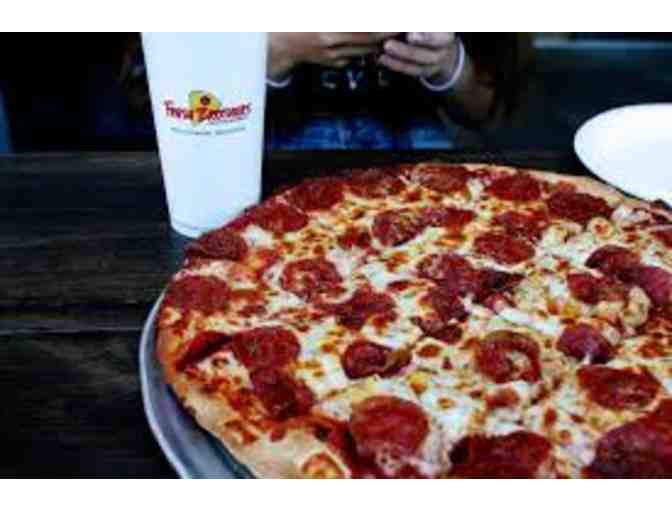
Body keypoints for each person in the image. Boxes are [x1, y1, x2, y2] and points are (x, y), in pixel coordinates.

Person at [265, 32, 529, 150]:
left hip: (422, 170)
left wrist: (448, 64)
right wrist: (273, 51)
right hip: (267, 157)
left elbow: (491, 113)